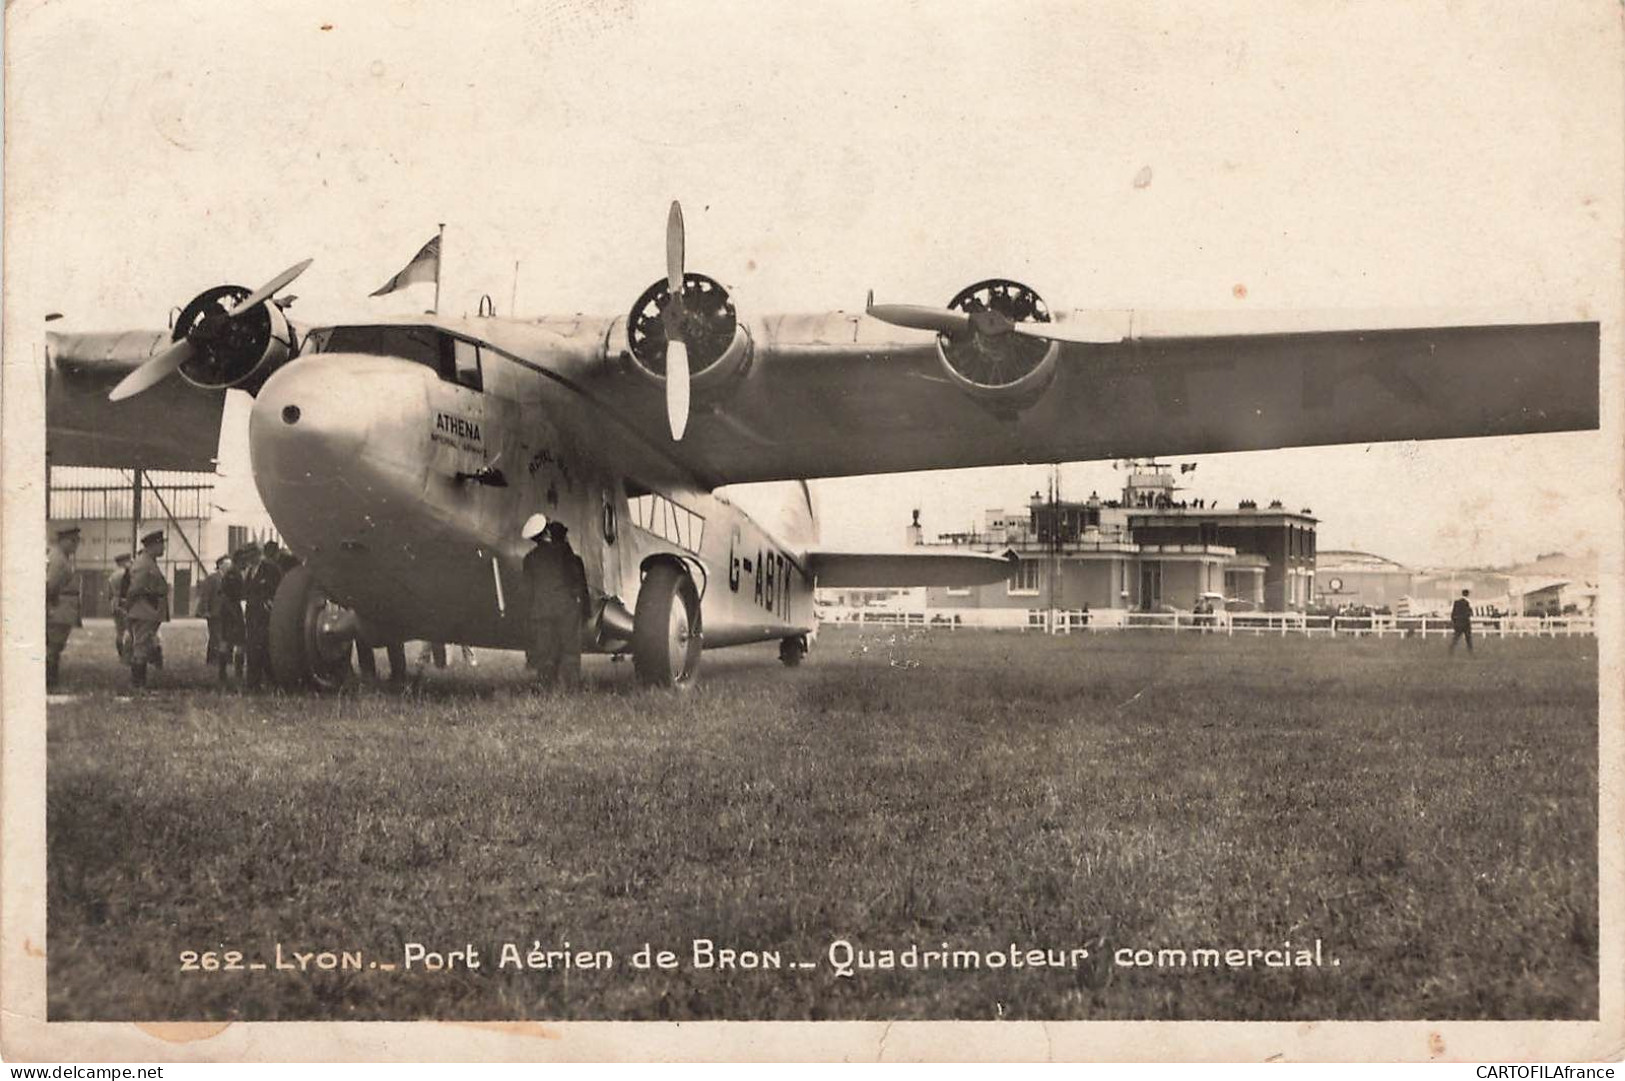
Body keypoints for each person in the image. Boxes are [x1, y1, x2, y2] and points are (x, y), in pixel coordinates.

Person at [521, 514, 589, 689]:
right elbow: (575, 578)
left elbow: (527, 590)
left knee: (545, 652)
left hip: (541, 611)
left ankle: (546, 687)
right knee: (569, 650)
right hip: (566, 609)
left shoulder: (529, 559)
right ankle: (571, 687)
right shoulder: (564, 551)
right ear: (546, 532)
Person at [124, 530, 170, 689]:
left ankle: (138, 683)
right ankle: (138, 685)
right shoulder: (144, 564)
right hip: (144, 610)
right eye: (161, 544)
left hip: (148, 610)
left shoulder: (148, 561)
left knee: (143, 645)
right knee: (141, 647)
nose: (163, 547)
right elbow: (135, 589)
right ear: (153, 545)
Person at [242, 542, 284, 690]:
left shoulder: (270, 569)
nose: (248, 559)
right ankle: (254, 683)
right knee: (253, 648)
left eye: (250, 555)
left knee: (265, 648)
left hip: (265, 615)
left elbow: (279, 588)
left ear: (257, 554)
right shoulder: (249, 571)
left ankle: (273, 682)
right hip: (252, 615)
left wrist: (271, 602)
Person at [45, 525, 82, 690]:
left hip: (62, 607)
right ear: (63, 541)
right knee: (53, 647)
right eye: (73, 541)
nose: (76, 544)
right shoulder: (58, 559)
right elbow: (51, 585)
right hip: (58, 608)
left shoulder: (61, 556)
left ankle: (51, 682)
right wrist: (51, 606)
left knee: (55, 646)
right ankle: (50, 684)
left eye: (77, 541)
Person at [215, 549, 247, 686]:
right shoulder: (234, 574)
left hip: (228, 610)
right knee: (238, 642)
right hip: (232, 610)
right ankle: (236, 671)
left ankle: (223, 671)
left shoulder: (230, 573)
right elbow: (232, 594)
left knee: (226, 641)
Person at [196, 555, 226, 665]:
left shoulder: (229, 578)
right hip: (214, 612)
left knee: (222, 636)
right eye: (226, 564)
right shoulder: (212, 578)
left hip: (224, 613)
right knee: (215, 636)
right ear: (220, 565)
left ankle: (221, 659)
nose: (229, 566)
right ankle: (213, 660)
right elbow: (206, 595)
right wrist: (205, 610)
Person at [105, 553, 132, 660]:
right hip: (125, 603)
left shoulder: (112, 576)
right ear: (125, 562)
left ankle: (121, 654)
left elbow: (109, 593)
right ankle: (128, 654)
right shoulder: (128, 574)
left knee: (119, 631)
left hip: (115, 604)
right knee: (130, 630)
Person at [1450, 588, 1474, 655]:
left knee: (1456, 638)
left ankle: (1451, 650)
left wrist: (1454, 622)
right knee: (1468, 639)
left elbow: (1453, 614)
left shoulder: (1457, 602)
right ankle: (1470, 652)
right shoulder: (1467, 603)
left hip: (1458, 623)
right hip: (1466, 623)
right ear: (1468, 594)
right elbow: (1469, 613)